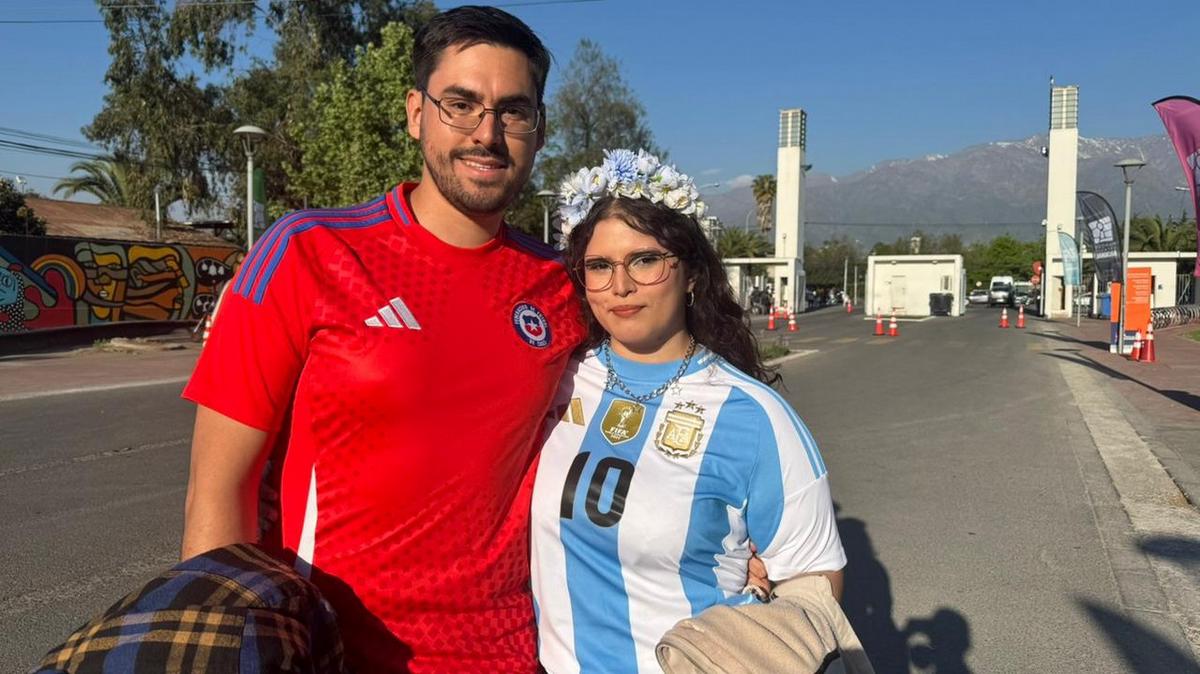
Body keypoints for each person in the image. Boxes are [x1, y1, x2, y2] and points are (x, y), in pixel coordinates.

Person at [181, 6, 584, 672]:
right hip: (330, 652)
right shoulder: (309, 254)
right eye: (461, 104)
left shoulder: (561, 287)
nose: (487, 133)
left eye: (513, 111)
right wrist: (220, 651)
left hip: (512, 654)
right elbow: (220, 491)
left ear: (539, 131)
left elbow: (652, 397)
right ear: (415, 113)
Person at [530, 150, 846, 673]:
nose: (621, 285)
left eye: (645, 260)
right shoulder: (554, 379)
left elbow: (814, 585)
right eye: (600, 266)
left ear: (693, 273)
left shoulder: (756, 416)